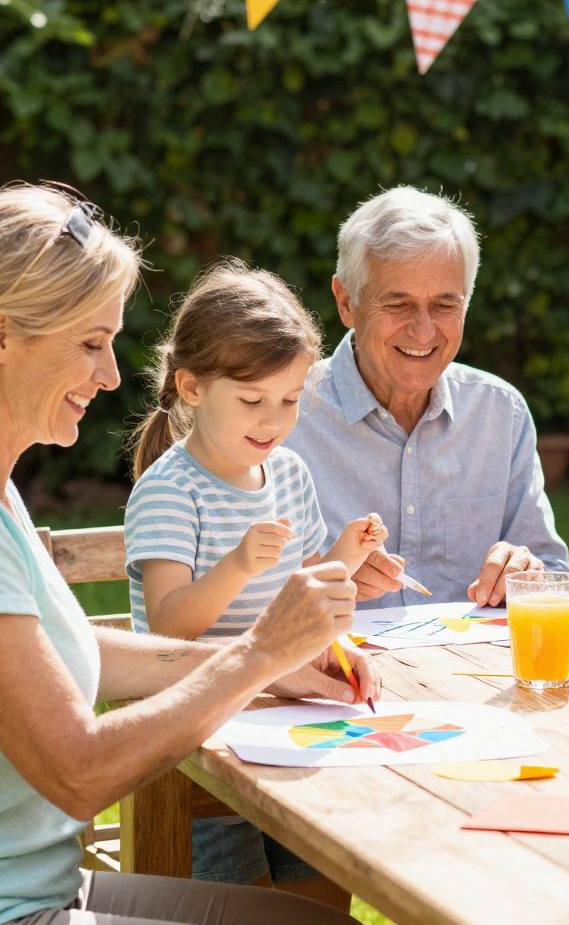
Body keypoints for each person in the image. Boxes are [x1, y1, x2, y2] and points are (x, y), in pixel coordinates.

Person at [0, 185, 373, 925]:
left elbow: (68, 652)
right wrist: (258, 655)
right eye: (89, 343)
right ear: (0, 337)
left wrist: (279, 665)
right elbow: (79, 770)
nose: (111, 376)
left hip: (23, 892)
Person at [124, 262, 386, 904]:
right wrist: (237, 565)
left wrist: (346, 559)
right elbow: (167, 624)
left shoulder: (289, 474)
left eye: (291, 400)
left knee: (319, 890)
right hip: (204, 734)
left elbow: (294, 592)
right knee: (239, 898)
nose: (273, 420)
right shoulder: (168, 490)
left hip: (284, 717)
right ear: (190, 387)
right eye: (252, 400)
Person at [288, 186, 569, 609]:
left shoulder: (500, 413)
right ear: (346, 302)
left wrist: (528, 573)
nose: (423, 331)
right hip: (334, 670)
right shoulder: (285, 416)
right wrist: (326, 577)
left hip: (471, 672)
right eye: (398, 303)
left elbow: (553, 576)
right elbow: (234, 600)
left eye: (444, 305)